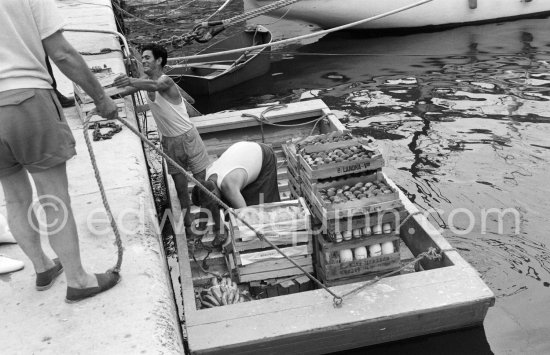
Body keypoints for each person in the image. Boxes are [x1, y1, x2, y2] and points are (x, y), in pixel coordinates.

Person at [0, 0, 120, 302]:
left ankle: (42, 266)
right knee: (53, 198)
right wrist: (101, 98)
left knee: (14, 198)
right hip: (26, 98)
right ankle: (78, 279)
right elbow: (62, 53)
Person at [113, 43, 210, 236]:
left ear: (159, 61)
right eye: (143, 57)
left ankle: (208, 219)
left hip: (188, 137)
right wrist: (100, 95)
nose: (143, 61)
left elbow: (154, 85)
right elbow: (122, 92)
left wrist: (129, 80)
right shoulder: (144, 81)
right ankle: (189, 225)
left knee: (202, 186)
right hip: (169, 142)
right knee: (180, 188)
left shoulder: (166, 82)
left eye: (147, 57)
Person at [191, 141, 281, 246]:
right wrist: (201, 228)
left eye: (213, 201)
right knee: (231, 201)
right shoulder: (207, 181)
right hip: (243, 154)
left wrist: (232, 245)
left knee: (260, 207)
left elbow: (246, 217)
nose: (212, 205)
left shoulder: (229, 186)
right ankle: (222, 231)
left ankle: (275, 235)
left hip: (263, 156)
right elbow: (207, 204)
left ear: (215, 193)